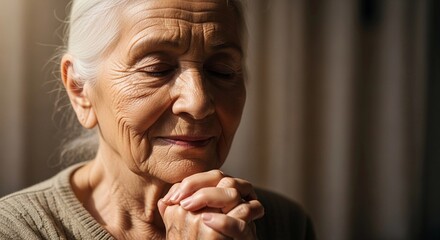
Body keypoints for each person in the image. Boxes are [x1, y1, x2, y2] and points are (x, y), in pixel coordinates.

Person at [0, 0, 315, 239]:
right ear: (80, 89)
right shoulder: (17, 229)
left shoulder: (283, 224)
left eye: (222, 70)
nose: (198, 102)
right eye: (156, 69)